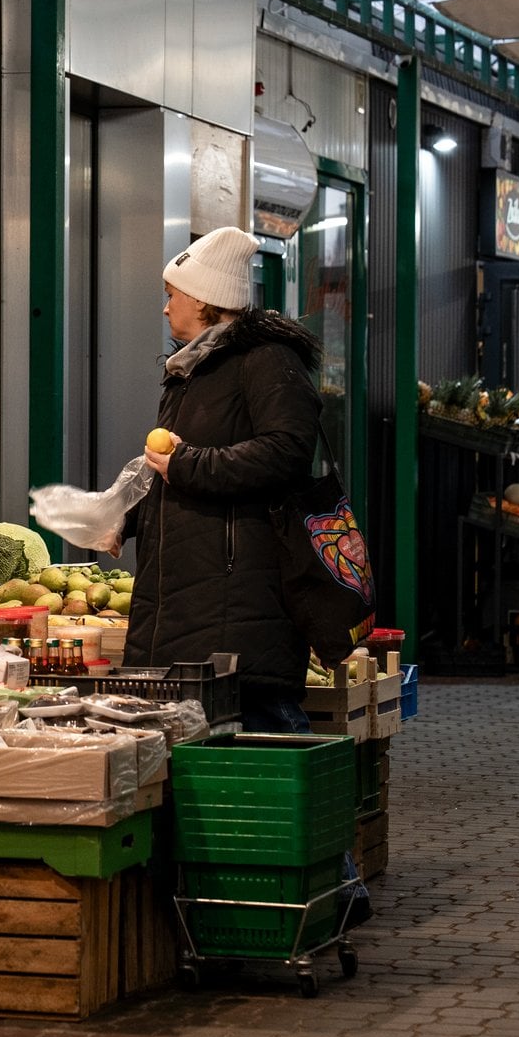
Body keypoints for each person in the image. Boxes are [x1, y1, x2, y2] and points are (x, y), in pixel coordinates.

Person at [113, 225, 325, 732]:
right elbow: (178, 469)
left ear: (205, 300)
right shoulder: (192, 369)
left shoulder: (267, 359)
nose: (166, 309)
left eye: (172, 296)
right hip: (187, 597)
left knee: (260, 733)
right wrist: (128, 515)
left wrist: (188, 465)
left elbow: (288, 450)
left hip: (238, 599)